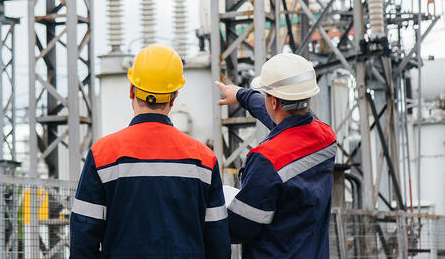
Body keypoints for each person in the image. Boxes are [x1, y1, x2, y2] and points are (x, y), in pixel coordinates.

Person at [70, 44, 231, 258]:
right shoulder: (203, 158)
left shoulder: (103, 154)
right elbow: (218, 242)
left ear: (131, 90)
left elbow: (83, 238)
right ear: (173, 98)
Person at [215, 53, 336, 259]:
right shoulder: (326, 138)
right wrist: (242, 95)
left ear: (273, 102)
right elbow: (286, 124)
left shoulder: (266, 160)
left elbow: (240, 228)